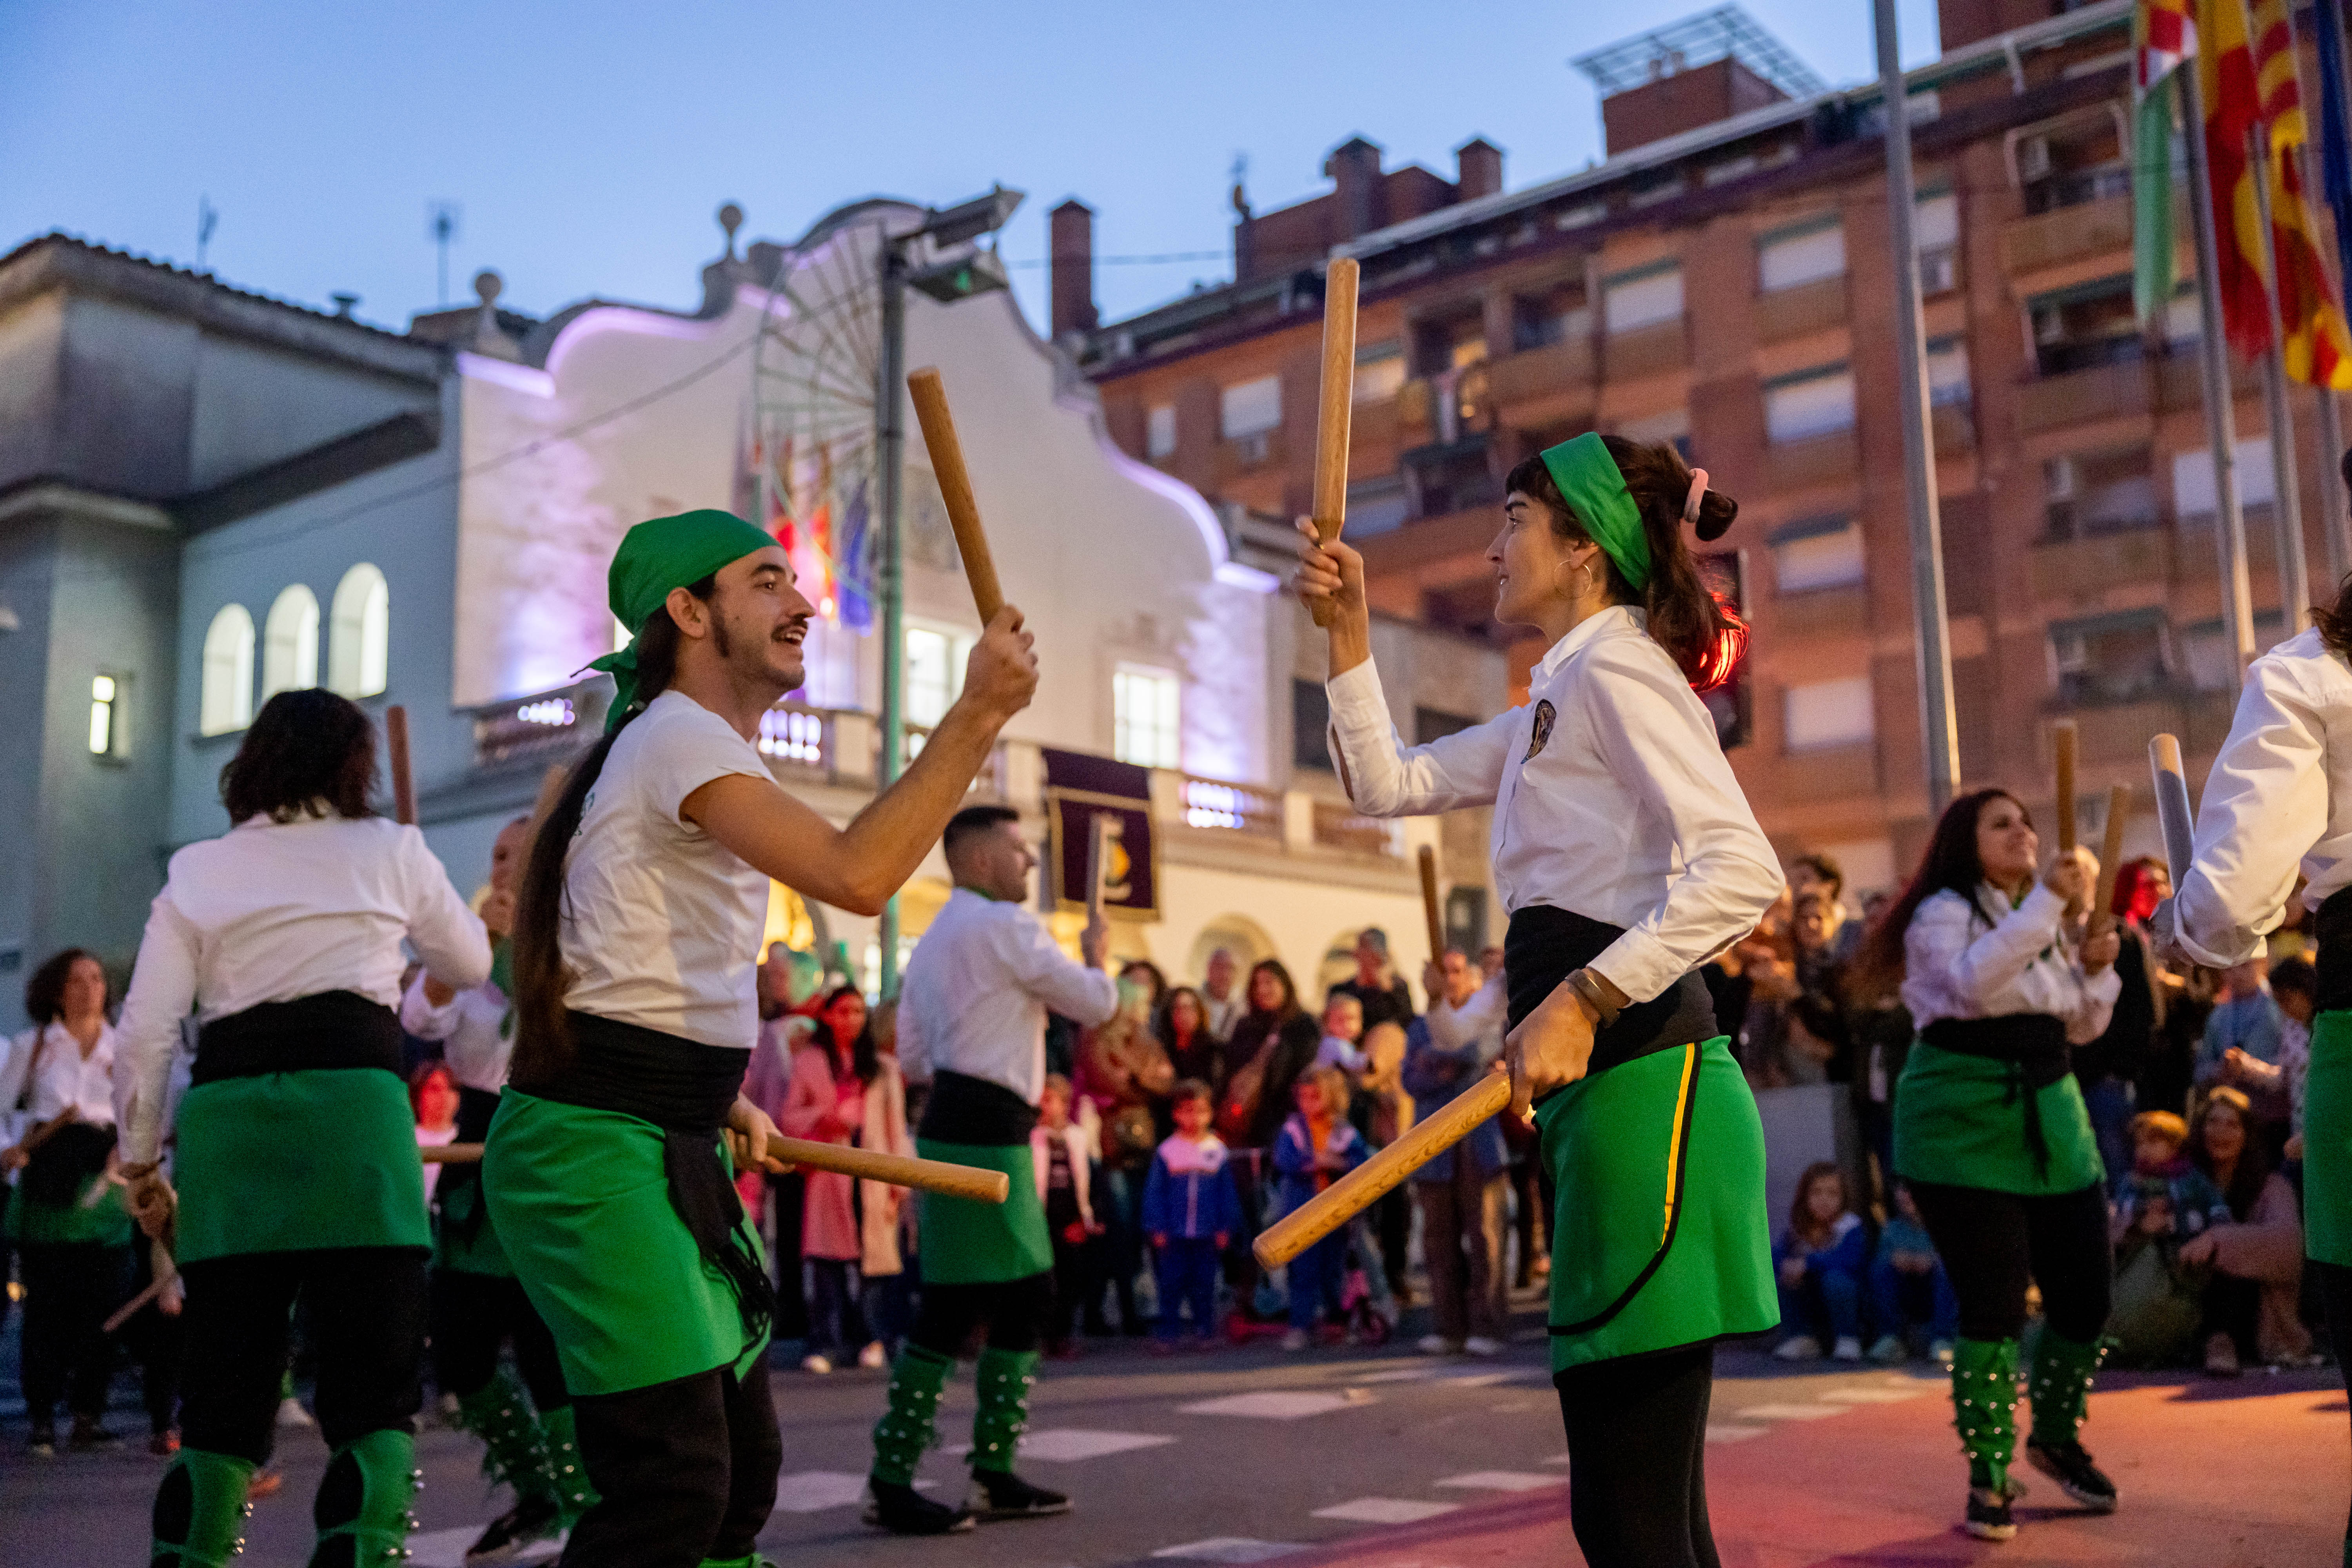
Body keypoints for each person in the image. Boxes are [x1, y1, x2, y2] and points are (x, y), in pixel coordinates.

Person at [486, 509, 1037, 1568]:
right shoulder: (678, 733)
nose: (805, 604)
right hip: (594, 1149)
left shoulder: (675, 746)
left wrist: (713, 1094)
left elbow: (635, 963)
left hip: (656, 1131)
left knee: (735, 1474)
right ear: (688, 612)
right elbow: (858, 875)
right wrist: (979, 713)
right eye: (769, 581)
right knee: (674, 1484)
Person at [1301, 431, 1780, 1568]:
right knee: (1640, 1514)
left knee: (1631, 1516)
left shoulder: (1617, 670)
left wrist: (1581, 997)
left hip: (1649, 1087)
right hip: (1611, 1102)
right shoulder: (1558, 698)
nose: (1492, 548)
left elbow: (1741, 869)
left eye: (1513, 521)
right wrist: (1349, 629)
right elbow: (1387, 783)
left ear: (1585, 549)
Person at [113, 691, 493, 1568]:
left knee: (225, 1382)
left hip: (231, 1123)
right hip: (355, 1116)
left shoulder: (199, 867)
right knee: (375, 1380)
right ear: (354, 767)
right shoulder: (392, 849)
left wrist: (140, 1155)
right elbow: (470, 962)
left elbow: (147, 1030)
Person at [1853, 787, 2120, 1539]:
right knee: (1996, 1300)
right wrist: (2050, 908)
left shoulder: (2044, 916)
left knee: (2086, 1295)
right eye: (2002, 824)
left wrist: (2097, 965)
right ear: (1964, 843)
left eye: (2026, 823)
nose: (2024, 832)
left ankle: (2057, 1435)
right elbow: (1973, 983)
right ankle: (1989, 1469)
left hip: (2050, 1105)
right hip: (1960, 1118)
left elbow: (2085, 1021)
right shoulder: (1944, 912)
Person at [873, 802, 1118, 1534]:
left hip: (953, 1120)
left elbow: (912, 1056)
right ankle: (903, 1478)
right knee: (975, 1303)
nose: (1031, 863)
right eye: (1019, 851)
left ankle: (981, 1470)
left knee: (1003, 1298)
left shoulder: (935, 938)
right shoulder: (1007, 928)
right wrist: (1097, 950)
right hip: (988, 1128)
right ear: (980, 860)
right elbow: (1096, 1003)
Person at [399, 812, 593, 1560]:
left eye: (520, 853)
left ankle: (581, 1508)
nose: (505, 866)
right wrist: (468, 947)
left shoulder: (580, 934)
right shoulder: (472, 939)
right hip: (476, 1143)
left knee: (549, 1347)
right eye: (498, 855)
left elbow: (554, 1021)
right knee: (461, 1352)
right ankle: (534, 1487)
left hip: (547, 1136)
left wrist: (514, 945)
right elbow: (420, 1014)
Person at [2, 948, 134, 1457]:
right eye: (77, 980)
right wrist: (11, 1151)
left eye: (97, 979)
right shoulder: (33, 1048)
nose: (89, 989)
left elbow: (140, 1114)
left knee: (104, 1306)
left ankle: (88, 1414)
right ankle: (41, 1417)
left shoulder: (123, 1049)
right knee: (47, 1309)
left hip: (104, 1180)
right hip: (50, 1179)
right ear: (56, 990)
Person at [1403, 949, 1510, 1356]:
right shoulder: (1418, 1026)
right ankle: (1448, 1326)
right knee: (1439, 1239)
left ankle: (1488, 1325)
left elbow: (1475, 1053)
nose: (1450, 979)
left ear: (1471, 978)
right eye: (1442, 972)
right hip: (1434, 1144)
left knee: (1485, 1236)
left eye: (1458, 971)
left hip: (1478, 1140)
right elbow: (1410, 1079)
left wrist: (1437, 1060)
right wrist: (1444, 1067)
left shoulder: (1487, 1020)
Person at [780, 985, 886, 1374]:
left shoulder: (877, 1064)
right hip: (829, 1170)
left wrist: (897, 1186)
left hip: (870, 1173)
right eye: (844, 1011)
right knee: (826, 1263)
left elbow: (891, 1129)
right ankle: (824, 1341)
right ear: (828, 1016)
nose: (852, 1020)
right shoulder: (810, 1060)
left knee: (871, 1265)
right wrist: (824, 1117)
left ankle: (872, 1337)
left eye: (859, 1011)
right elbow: (789, 1116)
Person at [2180, 1087, 2314, 1373]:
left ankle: (2221, 1340)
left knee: (2230, 1267)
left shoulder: (2272, 1187)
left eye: (2232, 1125)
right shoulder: (2180, 1180)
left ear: (2247, 1134)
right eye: (2213, 1122)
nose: (2221, 1132)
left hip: (2248, 1311)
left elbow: (2288, 1247)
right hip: (2182, 1294)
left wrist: (2218, 1240)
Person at [1270, 1066, 1367, 1350]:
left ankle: (1335, 1323)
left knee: (1333, 1271)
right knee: (1303, 1271)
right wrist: (1311, 1162)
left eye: (1316, 1097)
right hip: (1302, 1213)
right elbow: (1284, 1160)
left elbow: (1362, 1162)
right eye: (1304, 1097)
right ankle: (1300, 1326)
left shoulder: (1344, 1131)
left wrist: (1338, 1163)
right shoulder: (1293, 1130)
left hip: (1336, 1215)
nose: (1308, 1103)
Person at [1142, 1080, 1241, 1349]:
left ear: (1210, 1113)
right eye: (1187, 1110)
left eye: (1200, 1110)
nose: (1194, 1117)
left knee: (1205, 1286)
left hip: (1206, 1233)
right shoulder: (1168, 1151)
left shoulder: (1216, 1151)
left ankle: (1204, 1331)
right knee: (1171, 1285)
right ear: (1176, 1114)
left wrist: (1225, 1227)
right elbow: (1155, 1193)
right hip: (1173, 1234)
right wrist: (1157, 1227)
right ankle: (1168, 1333)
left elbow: (1226, 1194)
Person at [1771, 1162, 1868, 1362]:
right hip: (1811, 1304)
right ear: (1805, 1196)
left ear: (1844, 1198)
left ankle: (1848, 1339)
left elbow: (1849, 1261)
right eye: (1817, 1193)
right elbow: (1777, 1256)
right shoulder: (1799, 1229)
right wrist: (1786, 1266)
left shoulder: (1851, 1227)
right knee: (1784, 1274)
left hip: (1848, 1306)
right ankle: (1802, 1337)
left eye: (1833, 1194)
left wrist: (1808, 1263)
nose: (1824, 1200)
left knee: (1836, 1280)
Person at [2199, 958, 2295, 1159]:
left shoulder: (2282, 1007)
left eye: (2245, 966)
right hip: (2232, 1122)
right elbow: (2199, 1071)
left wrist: (2250, 1067)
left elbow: (2295, 1068)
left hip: (2274, 1121)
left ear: (2262, 965)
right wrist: (2220, 1070)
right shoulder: (2218, 1015)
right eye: (2231, 968)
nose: (2238, 974)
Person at [1033, 1073, 1098, 1357]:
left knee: (1070, 1282)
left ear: (1064, 1103)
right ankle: (1043, 1337)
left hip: (1071, 1221)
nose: (1044, 1107)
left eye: (1050, 1100)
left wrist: (1087, 1218)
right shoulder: (1031, 1138)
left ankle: (1064, 1335)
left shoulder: (1078, 1138)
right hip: (1040, 1220)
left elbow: (1091, 1181)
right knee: (1042, 1282)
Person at [1866, 1183, 1956, 1363]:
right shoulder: (1892, 1229)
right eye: (1902, 1190)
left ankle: (1944, 1340)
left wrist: (1930, 1261)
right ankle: (1890, 1338)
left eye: (1913, 1189)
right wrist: (1899, 1260)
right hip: (1906, 1293)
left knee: (1947, 1268)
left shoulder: (1947, 1226)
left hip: (1935, 1295)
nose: (1907, 1196)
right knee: (1882, 1266)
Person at [1329, 928, 1415, 1034]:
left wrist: (1387, 990)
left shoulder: (1398, 988)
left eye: (1369, 948)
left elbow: (1406, 1023)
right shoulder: (1341, 991)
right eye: (1363, 946)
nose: (1362, 953)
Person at [1154, 986, 1223, 1105]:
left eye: (1190, 1008)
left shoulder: (1213, 1048)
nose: (1184, 1014)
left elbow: (1215, 1090)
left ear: (1200, 1012)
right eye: (1178, 1008)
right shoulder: (1160, 1048)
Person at [1199, 949, 1243, 1040]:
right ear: (1209, 970)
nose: (1225, 975)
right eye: (1219, 967)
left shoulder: (1244, 1006)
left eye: (1231, 968)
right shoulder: (1196, 1001)